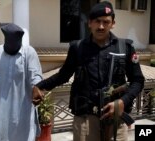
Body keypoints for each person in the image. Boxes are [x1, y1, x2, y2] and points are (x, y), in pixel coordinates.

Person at [33, 1, 144, 141]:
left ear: (113, 23)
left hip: (115, 117)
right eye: (97, 21)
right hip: (86, 119)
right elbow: (63, 75)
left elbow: (138, 81)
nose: (101, 26)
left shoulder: (125, 48)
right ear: (89, 23)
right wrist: (40, 86)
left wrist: (122, 101)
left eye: (106, 22)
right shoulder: (77, 48)